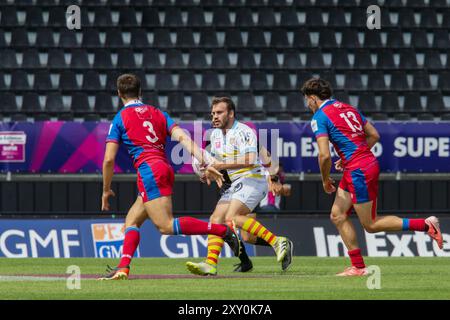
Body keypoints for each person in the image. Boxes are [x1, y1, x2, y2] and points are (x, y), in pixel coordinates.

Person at [98, 74, 240, 280]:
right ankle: (123, 268)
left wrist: (105, 189)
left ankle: (222, 231)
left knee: (165, 225)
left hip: (149, 171)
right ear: (140, 92)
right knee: (132, 220)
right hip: (163, 167)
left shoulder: (120, 118)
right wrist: (205, 161)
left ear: (119, 93)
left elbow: (109, 160)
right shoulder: (158, 113)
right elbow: (183, 137)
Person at [301, 78, 443, 276]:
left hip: (358, 169)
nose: (307, 105)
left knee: (371, 224)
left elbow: (324, 155)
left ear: (313, 98)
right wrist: (349, 156)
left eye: (307, 100)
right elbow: (374, 135)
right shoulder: (349, 108)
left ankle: (425, 225)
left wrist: (325, 180)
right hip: (360, 165)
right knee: (337, 214)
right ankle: (358, 267)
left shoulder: (319, 117)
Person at [185, 96, 293, 276]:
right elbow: (213, 162)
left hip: (253, 178)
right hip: (236, 184)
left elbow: (251, 159)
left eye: (219, 112)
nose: (214, 117)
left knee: (232, 217)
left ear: (231, 114)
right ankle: (210, 264)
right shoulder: (215, 135)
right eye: (212, 113)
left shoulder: (243, 131)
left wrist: (273, 177)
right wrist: (207, 172)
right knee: (217, 220)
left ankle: (277, 241)